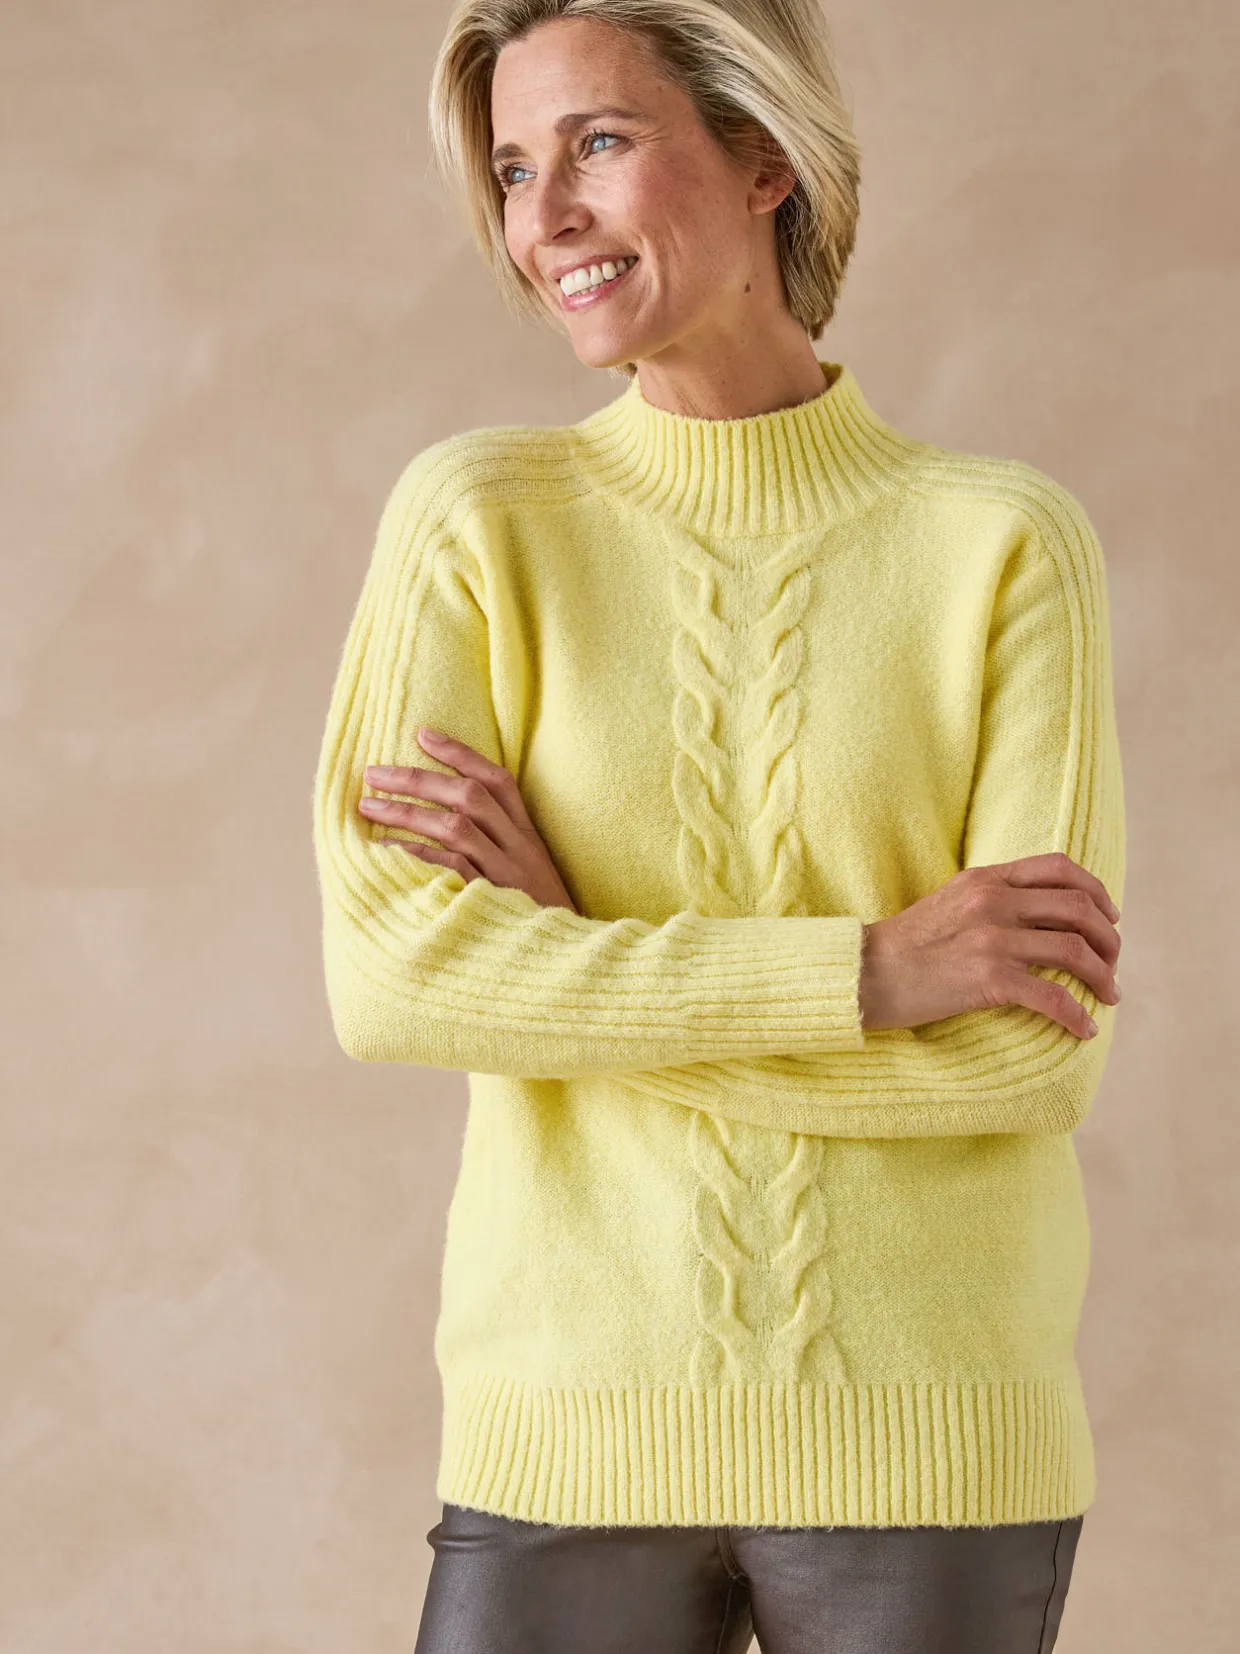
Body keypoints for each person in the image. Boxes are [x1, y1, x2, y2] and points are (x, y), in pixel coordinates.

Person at [311, 2, 1126, 1649]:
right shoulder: (477, 520)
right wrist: (870, 972)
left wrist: (571, 962)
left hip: (931, 1426)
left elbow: (1027, 1060)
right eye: (513, 169)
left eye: (599, 144)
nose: (546, 219)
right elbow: (393, 980)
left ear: (764, 157)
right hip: (567, 1414)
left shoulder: (1002, 544)